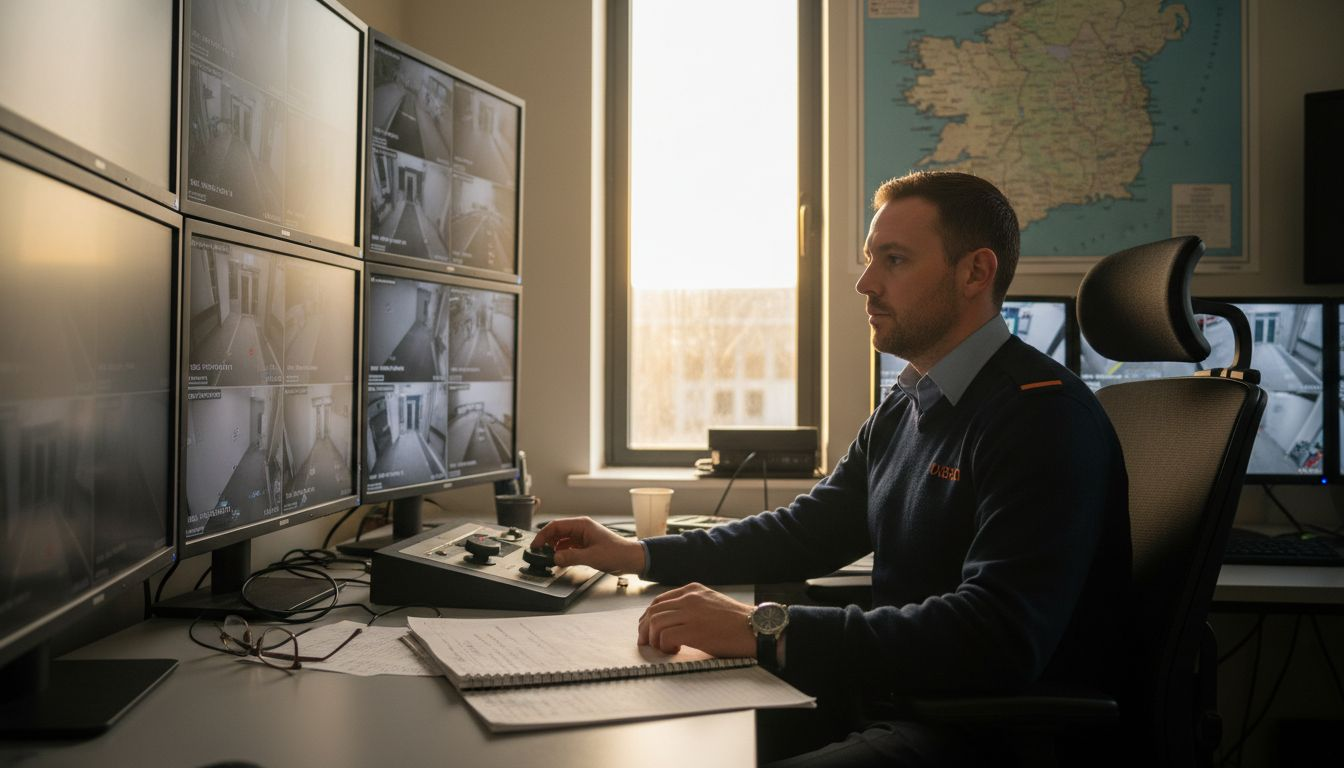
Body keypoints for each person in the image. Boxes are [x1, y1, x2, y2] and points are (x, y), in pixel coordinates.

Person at [532, 171, 1131, 766]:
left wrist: (765, 628)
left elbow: (996, 638)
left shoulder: (1042, 416)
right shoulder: (910, 401)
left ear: (975, 272)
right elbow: (807, 532)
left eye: (893, 260)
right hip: (895, 700)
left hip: (981, 733)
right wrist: (639, 554)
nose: (865, 283)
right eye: (871, 258)